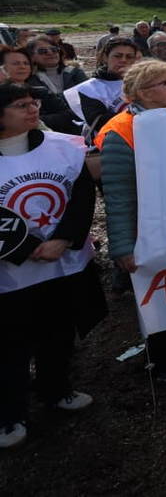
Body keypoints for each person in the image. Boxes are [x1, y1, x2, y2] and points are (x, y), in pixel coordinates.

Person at [0, 83, 104, 448]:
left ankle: (57, 389)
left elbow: (81, 195)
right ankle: (9, 415)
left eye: (34, 102)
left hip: (63, 261)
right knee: (10, 346)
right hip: (10, 274)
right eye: (20, 105)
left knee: (58, 332)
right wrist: (24, 247)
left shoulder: (63, 147)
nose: (32, 109)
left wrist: (62, 239)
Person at [100, 60, 166, 380]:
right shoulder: (120, 131)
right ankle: (165, 357)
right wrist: (122, 245)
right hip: (149, 229)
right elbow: (119, 195)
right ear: (142, 93)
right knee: (162, 293)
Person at [64, 37, 140, 143]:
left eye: (129, 57)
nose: (123, 60)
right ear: (105, 58)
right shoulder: (89, 88)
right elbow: (99, 122)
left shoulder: (145, 81)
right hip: (111, 142)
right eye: (117, 56)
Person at [1, 46, 77, 134]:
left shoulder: (40, 92)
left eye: (26, 63)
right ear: (2, 68)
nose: (22, 67)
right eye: (16, 63)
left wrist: (33, 119)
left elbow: (68, 116)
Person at [28, 34, 87, 101]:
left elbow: (87, 96)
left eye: (54, 49)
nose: (50, 53)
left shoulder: (75, 72)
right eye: (42, 51)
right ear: (32, 56)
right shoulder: (30, 78)